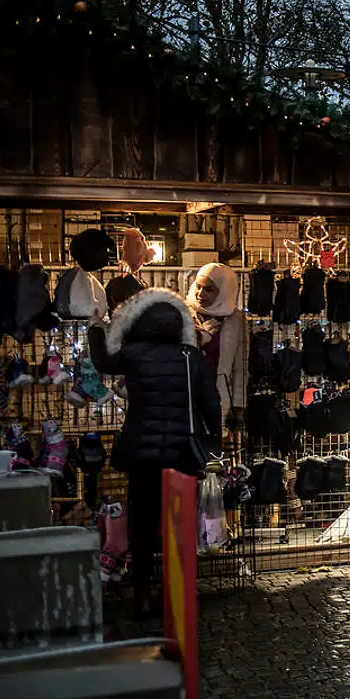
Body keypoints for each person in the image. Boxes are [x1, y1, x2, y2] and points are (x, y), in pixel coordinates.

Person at [88, 287, 221, 613]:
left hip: (142, 453)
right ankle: (177, 591)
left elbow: (103, 361)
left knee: (143, 524)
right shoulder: (191, 357)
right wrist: (215, 439)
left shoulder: (133, 354)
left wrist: (95, 327)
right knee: (179, 522)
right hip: (182, 453)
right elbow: (210, 401)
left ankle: (142, 593)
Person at [187, 262, 248, 433]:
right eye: (198, 287)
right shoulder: (183, 313)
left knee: (213, 442)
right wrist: (199, 337)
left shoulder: (235, 319)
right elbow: (173, 353)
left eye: (209, 289)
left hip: (218, 394)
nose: (200, 294)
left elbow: (240, 365)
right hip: (187, 393)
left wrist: (238, 406)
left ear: (223, 290)